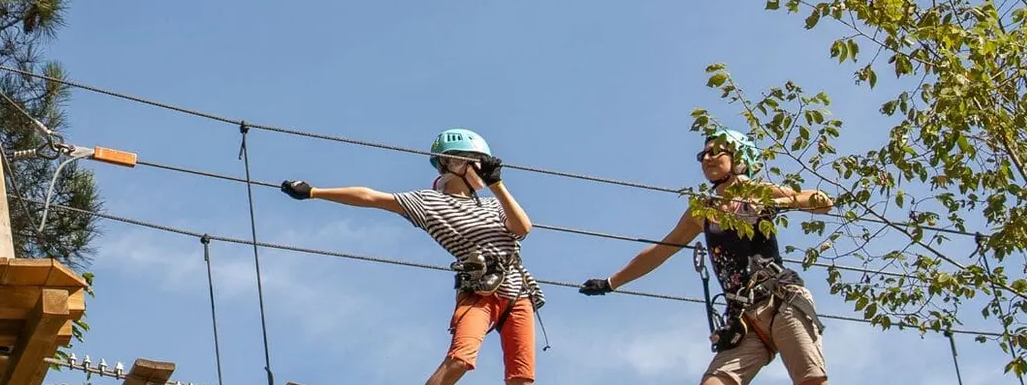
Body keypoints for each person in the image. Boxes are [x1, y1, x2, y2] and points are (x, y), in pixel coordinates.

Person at [280, 128, 543, 385]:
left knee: (521, 377)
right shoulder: (428, 202)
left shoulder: (493, 203)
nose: (484, 169)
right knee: (460, 360)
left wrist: (497, 185)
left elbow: (523, 228)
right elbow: (370, 196)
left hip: (517, 292)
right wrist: (315, 192)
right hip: (480, 291)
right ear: (455, 163)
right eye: (479, 162)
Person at [578, 125, 838, 385]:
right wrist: (611, 283)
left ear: (739, 157)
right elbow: (661, 250)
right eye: (703, 155)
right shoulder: (702, 210)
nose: (707, 158)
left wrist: (776, 202)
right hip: (744, 317)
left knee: (810, 381)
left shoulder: (757, 191)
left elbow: (823, 201)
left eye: (715, 152)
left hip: (780, 299)